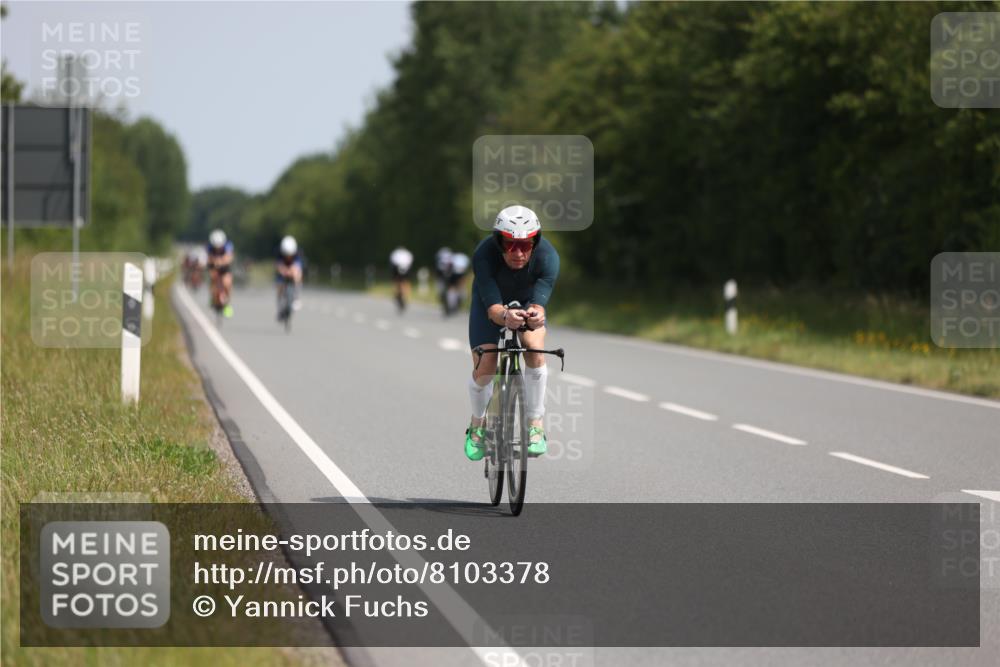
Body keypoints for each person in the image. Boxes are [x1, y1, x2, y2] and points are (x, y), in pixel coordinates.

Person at [464, 205, 559, 461]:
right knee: (485, 366)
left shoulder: (548, 257)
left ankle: (535, 425)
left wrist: (537, 314)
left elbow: (539, 304)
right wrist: (505, 316)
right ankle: (477, 425)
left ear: (535, 242)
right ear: (499, 242)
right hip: (490, 303)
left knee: (534, 350)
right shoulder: (484, 254)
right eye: (510, 245)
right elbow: (494, 309)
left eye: (525, 245)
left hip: (526, 302)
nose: (518, 253)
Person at [206, 229, 235, 317]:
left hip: (225, 268)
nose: (217, 249)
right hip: (213, 267)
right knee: (213, 278)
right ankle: (212, 297)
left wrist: (222, 261)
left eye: (219, 247)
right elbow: (209, 258)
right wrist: (213, 262)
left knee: (227, 283)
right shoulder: (209, 247)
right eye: (216, 247)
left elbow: (229, 257)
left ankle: (227, 303)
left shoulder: (228, 245)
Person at [275, 235, 303, 317]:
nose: (288, 257)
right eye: (286, 255)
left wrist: (292, 272)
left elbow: (297, 266)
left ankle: (297, 297)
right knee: (279, 284)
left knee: (297, 275)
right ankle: (280, 304)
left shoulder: (298, 253)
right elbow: (278, 265)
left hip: (293, 267)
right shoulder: (279, 252)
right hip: (283, 266)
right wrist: (283, 271)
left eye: (290, 255)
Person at [444, 251, 470, 316]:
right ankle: (458, 301)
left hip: (453, 273)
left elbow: (448, 266)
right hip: (460, 273)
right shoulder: (464, 257)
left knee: (452, 289)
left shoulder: (453, 257)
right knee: (460, 288)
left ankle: (452, 304)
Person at [389, 246, 414, 313]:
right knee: (405, 282)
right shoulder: (407, 253)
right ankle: (405, 296)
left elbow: (392, 262)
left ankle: (397, 295)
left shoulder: (395, 253)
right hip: (405, 269)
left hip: (397, 269)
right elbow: (410, 262)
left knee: (396, 281)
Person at [435, 246, 453, 312]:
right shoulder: (449, 258)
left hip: (445, 276)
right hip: (444, 276)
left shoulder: (440, 259)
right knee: (443, 289)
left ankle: (447, 300)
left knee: (443, 289)